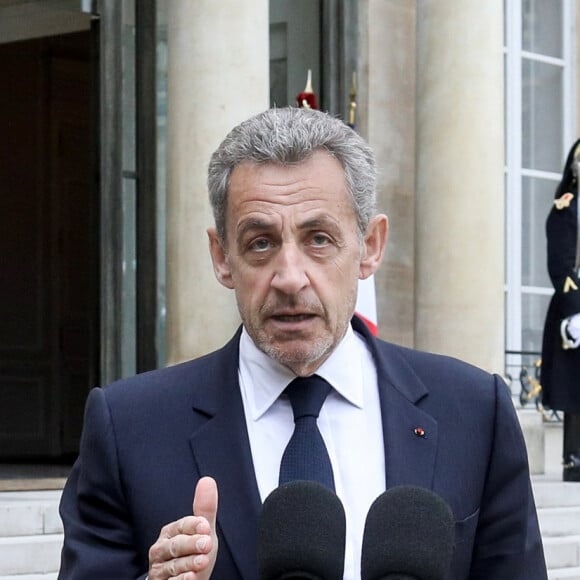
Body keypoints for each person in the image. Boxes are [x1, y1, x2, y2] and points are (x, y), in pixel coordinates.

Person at [58, 107, 547, 579]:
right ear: (222, 257)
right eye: (261, 243)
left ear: (370, 246)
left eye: (318, 238)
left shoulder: (474, 411)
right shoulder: (128, 429)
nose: (290, 278)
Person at [541, 138, 580, 482]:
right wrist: (573, 309)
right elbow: (561, 264)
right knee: (575, 391)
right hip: (576, 305)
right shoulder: (566, 209)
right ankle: (575, 460)